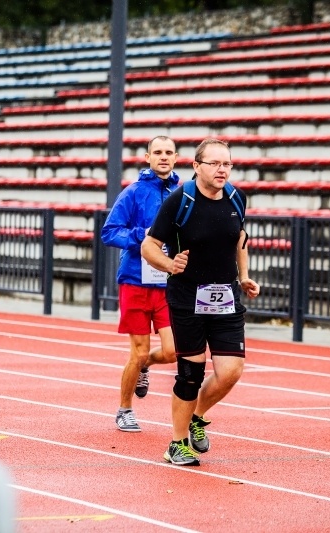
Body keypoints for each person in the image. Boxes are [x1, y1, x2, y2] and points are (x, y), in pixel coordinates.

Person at [142, 138, 260, 466]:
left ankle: (196, 415)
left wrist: (244, 275)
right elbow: (149, 245)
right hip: (187, 298)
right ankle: (177, 444)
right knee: (190, 375)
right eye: (215, 163)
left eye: (228, 164)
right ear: (196, 166)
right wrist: (169, 265)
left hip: (225, 299)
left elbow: (240, 239)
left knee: (231, 371)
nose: (223, 169)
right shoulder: (181, 201)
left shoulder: (237, 198)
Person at [101, 136, 179, 432]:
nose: (163, 157)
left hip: (168, 282)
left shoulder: (183, 193)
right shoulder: (133, 192)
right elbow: (109, 233)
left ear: (176, 157)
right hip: (135, 280)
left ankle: (145, 367)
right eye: (157, 152)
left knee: (173, 351)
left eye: (168, 153)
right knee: (138, 350)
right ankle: (124, 409)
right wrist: (143, 236)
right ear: (147, 157)